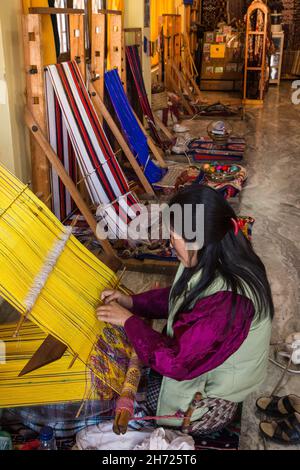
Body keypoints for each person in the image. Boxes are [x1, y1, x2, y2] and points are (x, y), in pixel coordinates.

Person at [96, 186, 274, 435]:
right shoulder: (217, 253)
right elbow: (180, 297)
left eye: (173, 236)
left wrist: (129, 322)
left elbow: (179, 364)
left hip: (212, 401)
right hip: (210, 367)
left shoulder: (229, 303)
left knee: (136, 397)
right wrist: (132, 303)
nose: (169, 245)